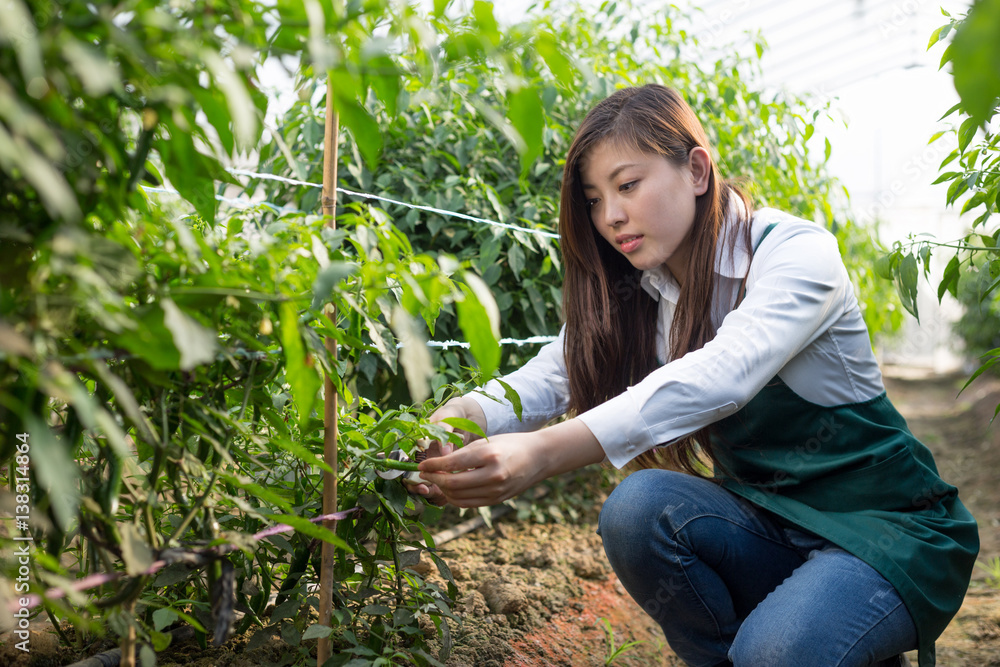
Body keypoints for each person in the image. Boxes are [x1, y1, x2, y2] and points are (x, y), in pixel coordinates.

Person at [408, 84, 979, 667]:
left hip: (887, 537)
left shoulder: (796, 254)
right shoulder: (646, 290)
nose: (611, 216)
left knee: (773, 654)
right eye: (593, 198)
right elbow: (554, 373)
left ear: (697, 170)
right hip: (774, 529)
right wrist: (467, 415)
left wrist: (542, 453)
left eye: (627, 185)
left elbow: (722, 374)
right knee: (640, 509)